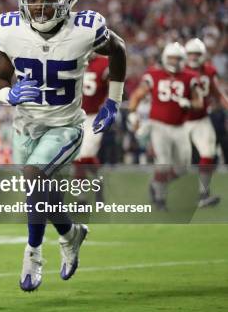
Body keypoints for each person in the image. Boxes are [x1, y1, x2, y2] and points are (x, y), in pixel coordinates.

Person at [0, 0, 126, 292]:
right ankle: (71, 234)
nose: (39, 6)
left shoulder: (85, 29)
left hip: (66, 126)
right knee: (41, 193)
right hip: (25, 126)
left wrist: (114, 101)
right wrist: (9, 94)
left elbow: (118, 49)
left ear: (65, 0)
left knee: (34, 177)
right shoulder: (10, 29)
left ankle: (33, 252)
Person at [128, 42, 203, 210]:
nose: (174, 62)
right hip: (159, 125)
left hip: (181, 127)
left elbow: (199, 102)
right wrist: (133, 114)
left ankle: (156, 183)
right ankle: (160, 199)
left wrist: (189, 103)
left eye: (177, 58)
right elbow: (137, 95)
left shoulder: (190, 77)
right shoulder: (153, 74)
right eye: (171, 58)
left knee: (183, 168)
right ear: (164, 58)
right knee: (164, 163)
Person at [183, 38, 228, 207]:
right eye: (191, 54)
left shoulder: (209, 71)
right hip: (178, 121)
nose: (194, 57)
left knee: (208, 154)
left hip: (200, 119)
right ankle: (157, 189)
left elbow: (218, 94)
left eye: (197, 54)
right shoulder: (178, 70)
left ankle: (203, 194)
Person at [73, 54, 110, 202]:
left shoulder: (105, 63)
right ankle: (96, 183)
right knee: (78, 157)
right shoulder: (71, 58)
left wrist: (109, 104)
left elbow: (115, 86)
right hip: (73, 116)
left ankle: (81, 197)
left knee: (83, 155)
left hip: (94, 117)